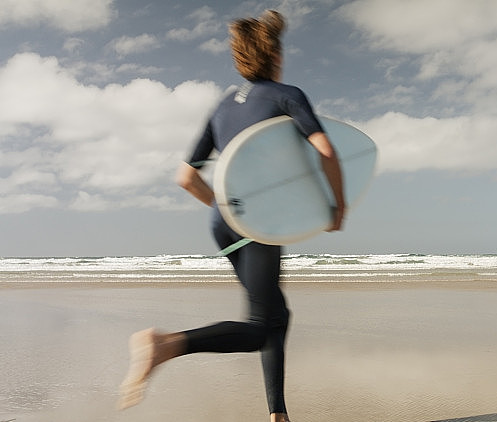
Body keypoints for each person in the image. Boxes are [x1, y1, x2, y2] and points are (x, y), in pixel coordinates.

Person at [118, 10, 345, 422]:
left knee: (276, 316)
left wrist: (228, 208)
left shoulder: (222, 106)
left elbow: (186, 178)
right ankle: (164, 344)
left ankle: (277, 414)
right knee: (261, 326)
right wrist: (337, 207)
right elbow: (326, 151)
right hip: (260, 224)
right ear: (275, 55)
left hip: (225, 224)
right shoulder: (285, 94)